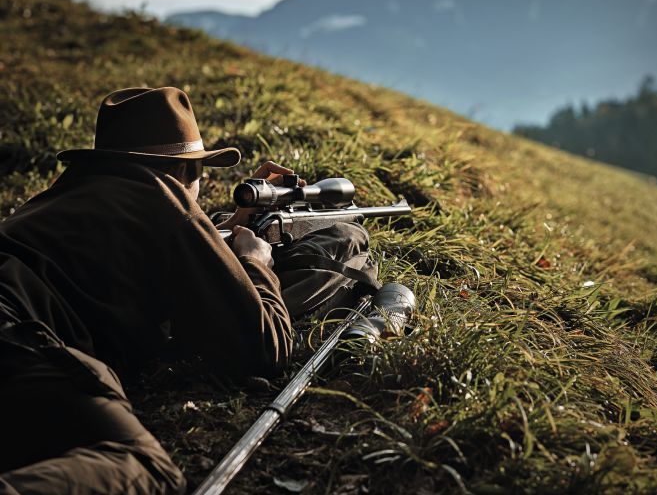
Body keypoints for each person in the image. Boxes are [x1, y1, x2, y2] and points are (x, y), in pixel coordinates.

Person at [0, 86, 377, 494]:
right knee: (145, 470)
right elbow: (265, 348)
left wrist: (225, 232)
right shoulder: (162, 198)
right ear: (184, 174)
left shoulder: (52, 201)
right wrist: (255, 263)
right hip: (15, 337)